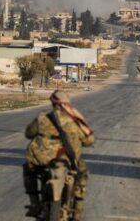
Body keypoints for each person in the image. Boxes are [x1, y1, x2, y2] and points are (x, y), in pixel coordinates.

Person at [23, 90, 95, 220]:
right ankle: (78, 210)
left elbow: (28, 133)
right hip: (66, 159)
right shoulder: (74, 120)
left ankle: (34, 203)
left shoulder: (42, 118)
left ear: (53, 103)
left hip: (41, 159)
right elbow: (89, 141)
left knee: (28, 170)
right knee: (82, 173)